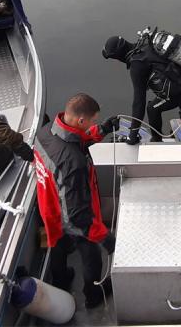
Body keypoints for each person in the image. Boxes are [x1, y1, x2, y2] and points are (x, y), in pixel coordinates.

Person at [32, 93, 118, 309]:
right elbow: (78, 217)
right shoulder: (74, 163)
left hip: (48, 209)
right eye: (93, 121)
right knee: (91, 255)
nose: (94, 124)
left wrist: (101, 131)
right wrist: (106, 239)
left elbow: (74, 141)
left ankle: (61, 280)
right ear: (81, 121)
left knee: (56, 246)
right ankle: (93, 294)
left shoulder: (45, 132)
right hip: (71, 217)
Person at [102, 35, 181, 144]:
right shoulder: (146, 43)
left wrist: (133, 135)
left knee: (152, 109)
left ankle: (156, 141)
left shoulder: (137, 64)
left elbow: (139, 102)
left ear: (118, 56)